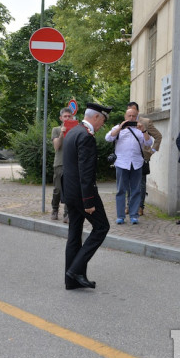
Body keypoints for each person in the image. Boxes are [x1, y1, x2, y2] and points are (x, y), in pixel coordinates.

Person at [62, 102, 113, 290]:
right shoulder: (86, 136)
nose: (102, 126)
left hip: (70, 193)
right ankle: (75, 270)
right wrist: (89, 201)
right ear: (96, 117)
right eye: (103, 121)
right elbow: (86, 172)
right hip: (83, 195)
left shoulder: (73, 131)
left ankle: (71, 281)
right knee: (101, 227)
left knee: (74, 233)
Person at [105, 108, 153, 225]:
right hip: (122, 163)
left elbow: (149, 142)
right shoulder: (119, 128)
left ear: (137, 117)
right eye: (129, 116)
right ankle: (120, 216)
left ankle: (134, 215)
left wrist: (144, 131)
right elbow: (108, 138)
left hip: (137, 163)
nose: (131, 118)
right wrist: (120, 128)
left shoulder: (140, 129)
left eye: (134, 116)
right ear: (125, 117)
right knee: (121, 190)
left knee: (136, 190)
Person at [125, 101, 162, 216]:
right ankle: (129, 205)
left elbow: (158, 136)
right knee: (128, 183)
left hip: (141, 158)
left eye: (134, 111)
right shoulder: (124, 123)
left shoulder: (146, 122)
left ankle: (140, 207)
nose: (132, 114)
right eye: (129, 111)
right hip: (128, 158)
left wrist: (151, 151)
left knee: (140, 183)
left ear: (138, 112)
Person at [51, 107, 74, 222]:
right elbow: (56, 146)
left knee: (69, 190)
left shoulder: (75, 129)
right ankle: (55, 209)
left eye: (69, 116)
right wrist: (62, 133)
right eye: (65, 116)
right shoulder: (56, 129)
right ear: (61, 118)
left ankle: (67, 213)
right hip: (60, 163)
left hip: (72, 164)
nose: (67, 118)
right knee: (58, 190)